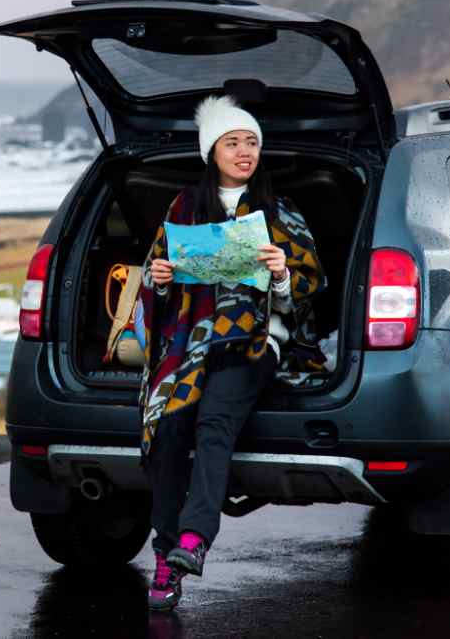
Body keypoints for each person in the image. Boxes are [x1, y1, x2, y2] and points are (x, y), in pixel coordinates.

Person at [136, 94, 326, 611]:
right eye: (233, 142)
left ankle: (194, 541)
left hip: (257, 339)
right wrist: (157, 281)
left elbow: (308, 288)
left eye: (252, 142)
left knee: (214, 423)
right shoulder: (182, 208)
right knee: (170, 429)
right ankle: (165, 552)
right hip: (190, 341)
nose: (245, 151)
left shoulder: (278, 211)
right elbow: (154, 284)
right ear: (210, 151)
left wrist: (283, 273)